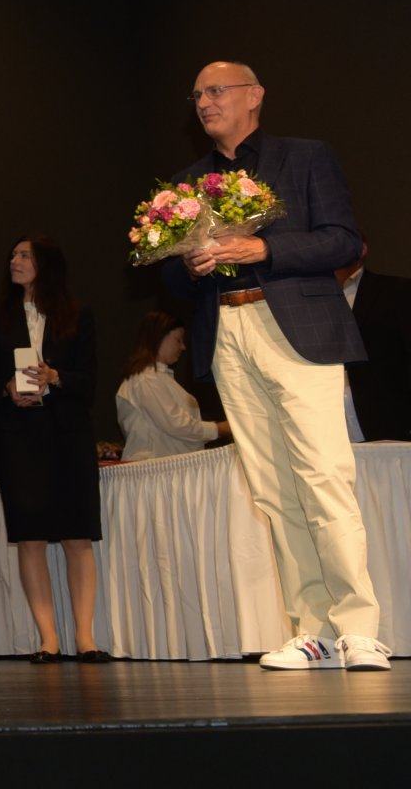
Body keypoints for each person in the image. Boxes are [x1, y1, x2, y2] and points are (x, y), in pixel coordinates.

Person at [164, 61, 387, 670]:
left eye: (216, 91)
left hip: (298, 327)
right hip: (227, 330)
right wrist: (187, 263)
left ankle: (359, 627)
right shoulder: (188, 182)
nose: (204, 103)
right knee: (272, 489)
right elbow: (165, 275)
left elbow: (344, 240)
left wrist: (264, 247)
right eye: (198, 95)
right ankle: (312, 627)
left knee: (322, 475)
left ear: (254, 96)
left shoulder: (305, 157)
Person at [0, 235, 105, 663]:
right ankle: (49, 638)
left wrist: (56, 376)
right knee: (29, 539)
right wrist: (7, 389)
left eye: (23, 255)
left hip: (68, 436)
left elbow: (89, 381)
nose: (14, 261)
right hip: (19, 439)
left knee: (76, 536)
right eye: (12, 255)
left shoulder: (78, 314)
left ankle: (85, 638)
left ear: (46, 264)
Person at [115, 312, 227, 460]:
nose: (183, 347)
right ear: (158, 337)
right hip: (153, 469)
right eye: (178, 340)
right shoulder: (145, 378)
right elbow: (176, 424)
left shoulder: (159, 378)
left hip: (167, 468)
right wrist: (219, 429)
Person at [338, 243, 411, 443]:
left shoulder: (398, 291)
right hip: (323, 423)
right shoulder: (304, 300)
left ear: (361, 249)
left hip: (386, 423)